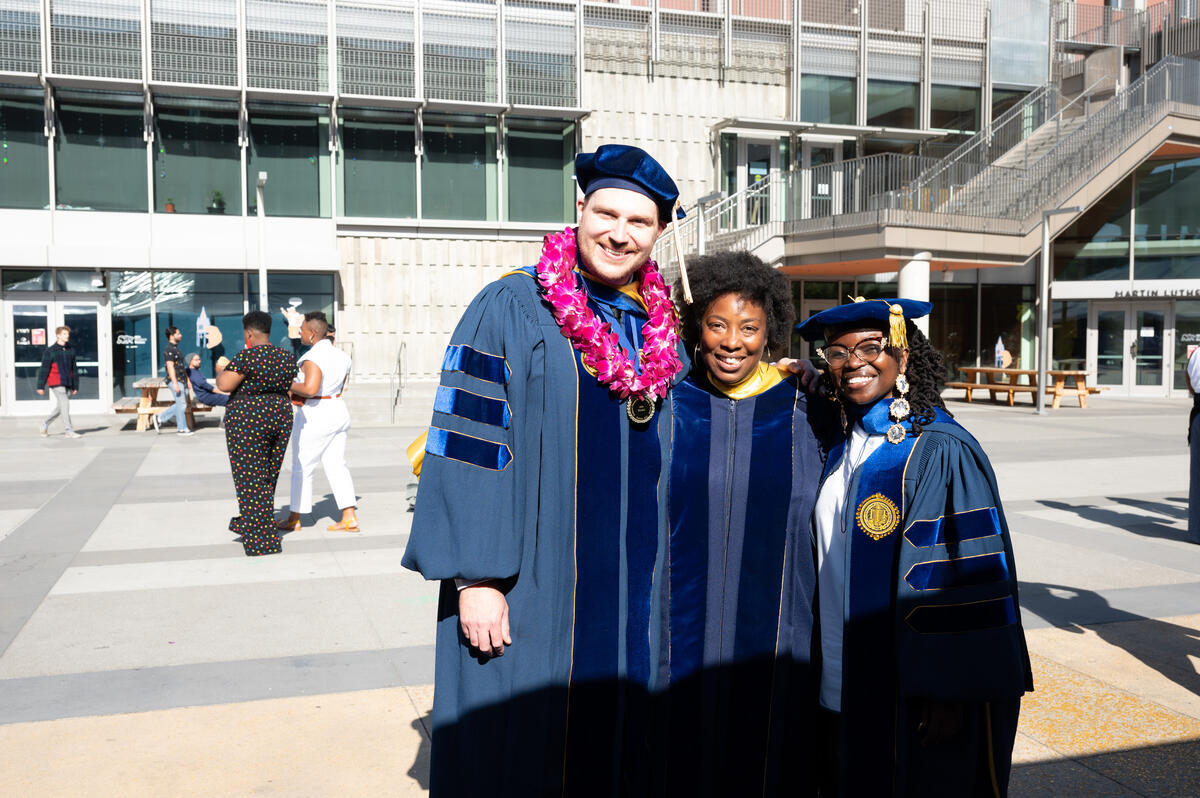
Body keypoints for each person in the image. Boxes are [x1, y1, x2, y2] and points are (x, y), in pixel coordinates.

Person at [402, 144, 688, 795]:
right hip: (532, 583)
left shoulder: (659, 326)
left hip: (632, 590)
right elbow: (471, 441)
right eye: (607, 213)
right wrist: (476, 578)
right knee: (525, 747)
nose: (619, 234)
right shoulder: (512, 307)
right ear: (580, 208)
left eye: (639, 223)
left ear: (659, 232)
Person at [795, 298, 1032, 797]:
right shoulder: (845, 441)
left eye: (871, 347)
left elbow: (964, 577)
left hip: (913, 685)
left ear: (903, 357)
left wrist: (948, 691)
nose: (853, 361)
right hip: (841, 669)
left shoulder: (939, 449)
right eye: (836, 352)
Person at [665, 252, 826, 796]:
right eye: (717, 324)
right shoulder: (666, 404)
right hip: (680, 627)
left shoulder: (806, 408)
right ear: (697, 329)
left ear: (769, 334)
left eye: (749, 328)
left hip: (780, 627)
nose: (732, 341)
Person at [216, 311, 298, 557]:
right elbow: (289, 384)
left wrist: (222, 369)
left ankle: (261, 540)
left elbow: (224, 385)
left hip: (249, 420)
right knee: (267, 476)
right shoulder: (286, 357)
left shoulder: (247, 356)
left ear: (249, 333)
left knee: (250, 479)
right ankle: (253, 524)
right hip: (280, 416)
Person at [276, 313, 359, 533]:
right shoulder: (342, 356)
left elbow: (311, 389)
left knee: (302, 466)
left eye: (301, 329)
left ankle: (295, 518)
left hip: (317, 414)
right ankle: (349, 516)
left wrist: (288, 384)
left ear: (312, 333)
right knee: (336, 464)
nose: (299, 333)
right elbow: (339, 388)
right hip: (338, 408)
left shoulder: (313, 357)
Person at [36, 325, 82, 439]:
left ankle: (44, 424)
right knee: (65, 404)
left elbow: (74, 368)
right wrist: (40, 386)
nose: (67, 336)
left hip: (68, 382)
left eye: (68, 334)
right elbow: (44, 369)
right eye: (64, 334)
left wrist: (76, 385)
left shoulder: (71, 350)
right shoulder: (50, 351)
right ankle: (69, 430)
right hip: (56, 382)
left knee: (61, 407)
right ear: (58, 335)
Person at [155, 325, 193, 436]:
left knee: (181, 404)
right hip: (176, 380)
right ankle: (181, 429)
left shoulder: (177, 349)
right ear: (172, 336)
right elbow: (170, 366)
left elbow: (181, 366)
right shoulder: (169, 349)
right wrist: (175, 383)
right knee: (181, 404)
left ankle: (160, 417)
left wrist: (188, 380)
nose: (181, 335)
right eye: (178, 333)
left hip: (182, 380)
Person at [1188, 346, 1200, 543]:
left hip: (1198, 414)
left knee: (1197, 476)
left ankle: (1197, 532)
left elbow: (1189, 382)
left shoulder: (1197, 352)